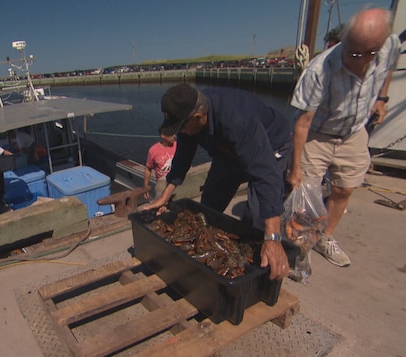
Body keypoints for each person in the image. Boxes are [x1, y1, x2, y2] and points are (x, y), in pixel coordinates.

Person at [144, 83, 293, 281]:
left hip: (270, 145)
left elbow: (266, 173)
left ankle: (262, 271)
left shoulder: (238, 119)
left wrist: (273, 238)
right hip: (228, 152)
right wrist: (165, 195)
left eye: (181, 128)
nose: (179, 134)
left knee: (259, 219)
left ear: (198, 117)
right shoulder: (190, 117)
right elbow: (183, 155)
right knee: (207, 208)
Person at [288, 8, 401, 267]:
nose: (359, 59)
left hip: (353, 130)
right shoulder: (319, 71)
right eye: (352, 52)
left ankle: (326, 237)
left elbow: (391, 63)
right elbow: (302, 123)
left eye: (367, 54)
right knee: (306, 196)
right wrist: (295, 169)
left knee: (344, 188)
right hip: (318, 133)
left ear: (379, 48)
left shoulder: (389, 46)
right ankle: (299, 249)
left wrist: (382, 99)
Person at [143, 126, 177, 201]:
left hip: (176, 183)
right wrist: (146, 186)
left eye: (174, 133)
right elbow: (148, 169)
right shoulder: (153, 150)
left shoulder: (178, 146)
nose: (174, 136)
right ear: (163, 135)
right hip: (162, 185)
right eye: (171, 134)